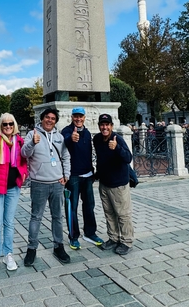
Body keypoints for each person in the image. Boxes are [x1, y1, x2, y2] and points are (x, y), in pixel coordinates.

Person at [21, 108, 71, 266]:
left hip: (57, 183)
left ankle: (58, 246)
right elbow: (24, 154)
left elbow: (66, 156)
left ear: (55, 121)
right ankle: (32, 248)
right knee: (36, 217)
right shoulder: (32, 134)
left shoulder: (59, 137)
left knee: (58, 216)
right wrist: (31, 143)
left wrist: (66, 175)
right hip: (39, 183)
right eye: (47, 117)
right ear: (42, 119)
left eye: (53, 118)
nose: (49, 120)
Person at [0, 113, 27, 272]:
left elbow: (24, 162)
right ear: (0, 126)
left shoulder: (19, 142)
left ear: (14, 125)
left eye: (10, 124)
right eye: (5, 124)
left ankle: (8, 253)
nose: (8, 127)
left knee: (9, 223)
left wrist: (23, 175)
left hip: (13, 188)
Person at [61, 107, 104, 250]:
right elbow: (64, 144)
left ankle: (90, 233)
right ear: (72, 117)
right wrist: (70, 139)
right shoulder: (67, 131)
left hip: (87, 175)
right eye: (76, 116)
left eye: (81, 116)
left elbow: (88, 153)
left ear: (84, 117)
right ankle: (73, 236)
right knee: (72, 207)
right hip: (73, 175)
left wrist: (92, 171)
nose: (78, 119)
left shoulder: (86, 133)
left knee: (89, 206)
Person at [93, 114, 134, 255]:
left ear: (111, 126)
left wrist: (117, 148)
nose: (105, 127)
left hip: (118, 184)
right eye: (102, 124)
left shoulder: (118, 139)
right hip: (104, 183)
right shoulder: (97, 139)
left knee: (123, 214)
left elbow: (128, 158)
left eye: (107, 125)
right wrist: (97, 174)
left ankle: (126, 241)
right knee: (109, 213)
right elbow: (101, 159)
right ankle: (113, 237)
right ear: (99, 126)